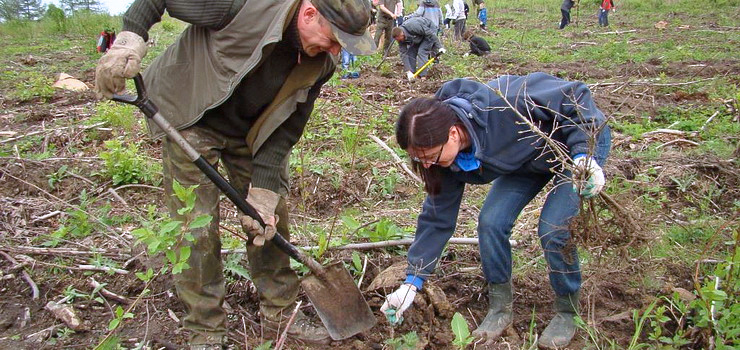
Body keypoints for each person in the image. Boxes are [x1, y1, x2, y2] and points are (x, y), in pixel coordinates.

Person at [94, 0, 375, 348]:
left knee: (270, 219)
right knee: (195, 226)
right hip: (192, 115)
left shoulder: (322, 63)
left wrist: (264, 190)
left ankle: (280, 313)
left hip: (250, 132)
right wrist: (129, 39)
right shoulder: (241, 5)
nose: (335, 51)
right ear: (308, 14)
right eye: (334, 39)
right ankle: (205, 328)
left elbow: (287, 127)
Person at [381, 72, 611, 349]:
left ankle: (567, 312)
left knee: (553, 229)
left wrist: (585, 157)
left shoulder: (506, 102)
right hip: (524, 163)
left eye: (430, 156)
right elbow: (437, 219)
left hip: (573, 150)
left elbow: (575, 96)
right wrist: (412, 282)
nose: (426, 165)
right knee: (491, 223)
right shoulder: (444, 160)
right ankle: (500, 307)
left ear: (453, 133)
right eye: (419, 159)